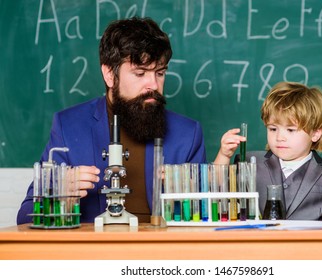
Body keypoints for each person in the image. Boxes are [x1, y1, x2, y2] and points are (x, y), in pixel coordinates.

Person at [17, 17, 206, 224]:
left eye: (160, 73)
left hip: (160, 253)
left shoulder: (188, 134)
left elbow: (205, 217)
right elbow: (24, 217)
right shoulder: (68, 126)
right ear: (109, 74)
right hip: (94, 254)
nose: (153, 84)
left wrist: (189, 194)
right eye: (140, 73)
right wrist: (61, 192)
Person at [215, 81, 322, 221]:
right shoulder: (250, 162)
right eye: (273, 129)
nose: (280, 137)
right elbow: (217, 194)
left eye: (290, 130)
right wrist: (224, 156)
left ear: (315, 133)